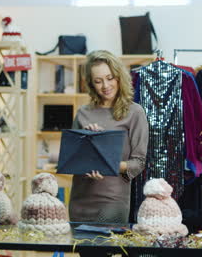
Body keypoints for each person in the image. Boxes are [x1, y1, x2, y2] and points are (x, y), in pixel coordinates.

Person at [68, 50, 149, 256]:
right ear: (91, 84)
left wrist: (108, 163)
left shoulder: (134, 112)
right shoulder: (83, 113)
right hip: (81, 200)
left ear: (119, 76)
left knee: (101, 253)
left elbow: (138, 163)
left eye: (109, 78)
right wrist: (88, 141)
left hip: (112, 201)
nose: (105, 86)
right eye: (98, 81)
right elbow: (72, 158)